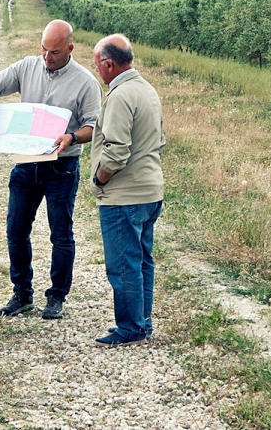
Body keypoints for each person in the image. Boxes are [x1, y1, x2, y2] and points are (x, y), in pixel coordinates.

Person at [0, 19, 102, 320]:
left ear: (70, 49)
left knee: (60, 234)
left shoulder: (86, 83)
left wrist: (71, 136)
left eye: (55, 52)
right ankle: (22, 294)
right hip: (26, 162)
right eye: (44, 49)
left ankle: (57, 297)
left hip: (62, 166)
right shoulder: (27, 67)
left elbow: (95, 125)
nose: (48, 57)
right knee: (16, 230)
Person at [89, 34, 165, 347]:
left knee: (123, 264)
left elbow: (117, 150)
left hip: (125, 195)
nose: (96, 70)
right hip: (150, 190)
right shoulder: (146, 89)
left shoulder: (120, 96)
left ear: (108, 64)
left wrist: (100, 179)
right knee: (142, 260)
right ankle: (142, 321)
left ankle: (131, 326)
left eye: (97, 64)